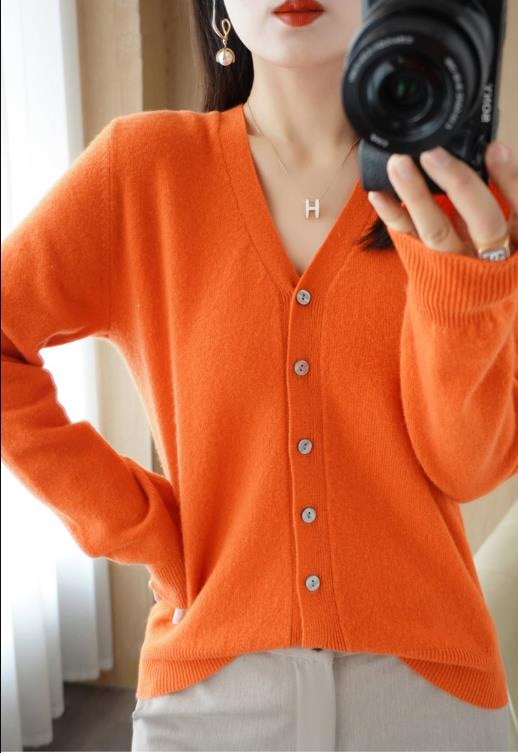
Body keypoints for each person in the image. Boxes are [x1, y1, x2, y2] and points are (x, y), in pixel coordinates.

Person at [2, 0, 516, 750]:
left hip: (427, 694)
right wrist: (138, 524)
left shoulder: (453, 192)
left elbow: (467, 465)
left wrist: (465, 286)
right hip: (208, 697)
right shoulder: (145, 170)